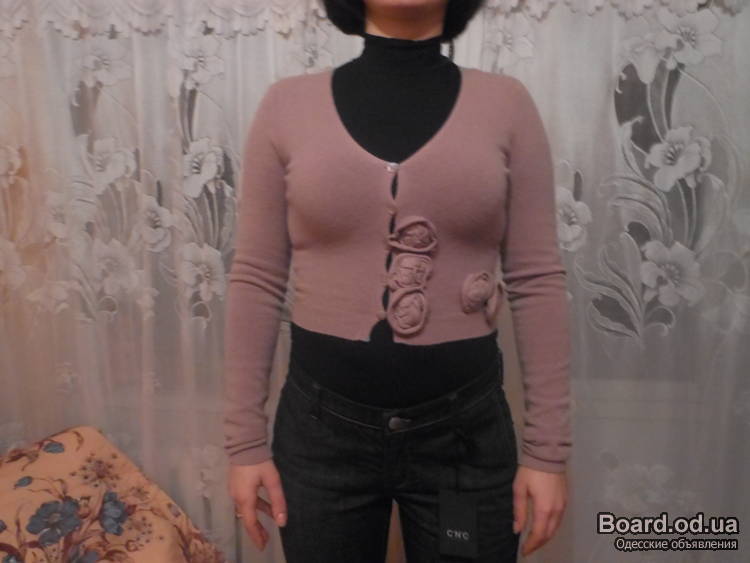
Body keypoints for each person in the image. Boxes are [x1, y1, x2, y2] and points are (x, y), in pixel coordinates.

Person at [224, 0, 572, 560]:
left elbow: (537, 280)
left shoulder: (506, 106)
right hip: (320, 444)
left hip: (461, 450)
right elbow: (256, 279)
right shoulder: (286, 107)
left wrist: (547, 452)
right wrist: (244, 443)